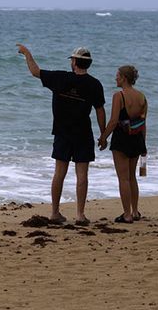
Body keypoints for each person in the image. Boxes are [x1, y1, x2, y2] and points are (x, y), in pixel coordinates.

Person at [17, 43, 106, 225]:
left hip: (62, 132)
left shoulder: (60, 78)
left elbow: (35, 72)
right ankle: (80, 215)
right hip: (83, 133)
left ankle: (55, 212)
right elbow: (100, 110)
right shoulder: (94, 84)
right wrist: (103, 134)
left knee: (59, 173)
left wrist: (27, 53)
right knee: (82, 175)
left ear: (74, 62)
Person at [98, 65, 147, 223]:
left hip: (122, 139)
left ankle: (126, 214)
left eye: (117, 75)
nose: (116, 78)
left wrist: (103, 137)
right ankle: (135, 212)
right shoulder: (142, 97)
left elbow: (113, 121)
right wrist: (143, 145)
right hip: (137, 138)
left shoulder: (119, 96)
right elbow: (143, 123)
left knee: (123, 178)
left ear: (124, 78)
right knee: (132, 177)